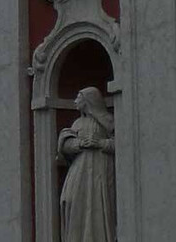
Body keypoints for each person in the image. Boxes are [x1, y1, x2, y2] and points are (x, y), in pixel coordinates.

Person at [58, 86, 117, 242]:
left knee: (98, 204)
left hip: (100, 170)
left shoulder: (108, 121)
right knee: (71, 199)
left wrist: (100, 143)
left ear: (88, 101)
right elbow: (65, 145)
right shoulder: (77, 123)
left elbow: (122, 144)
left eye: (79, 97)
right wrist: (79, 144)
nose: (75, 101)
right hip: (80, 170)